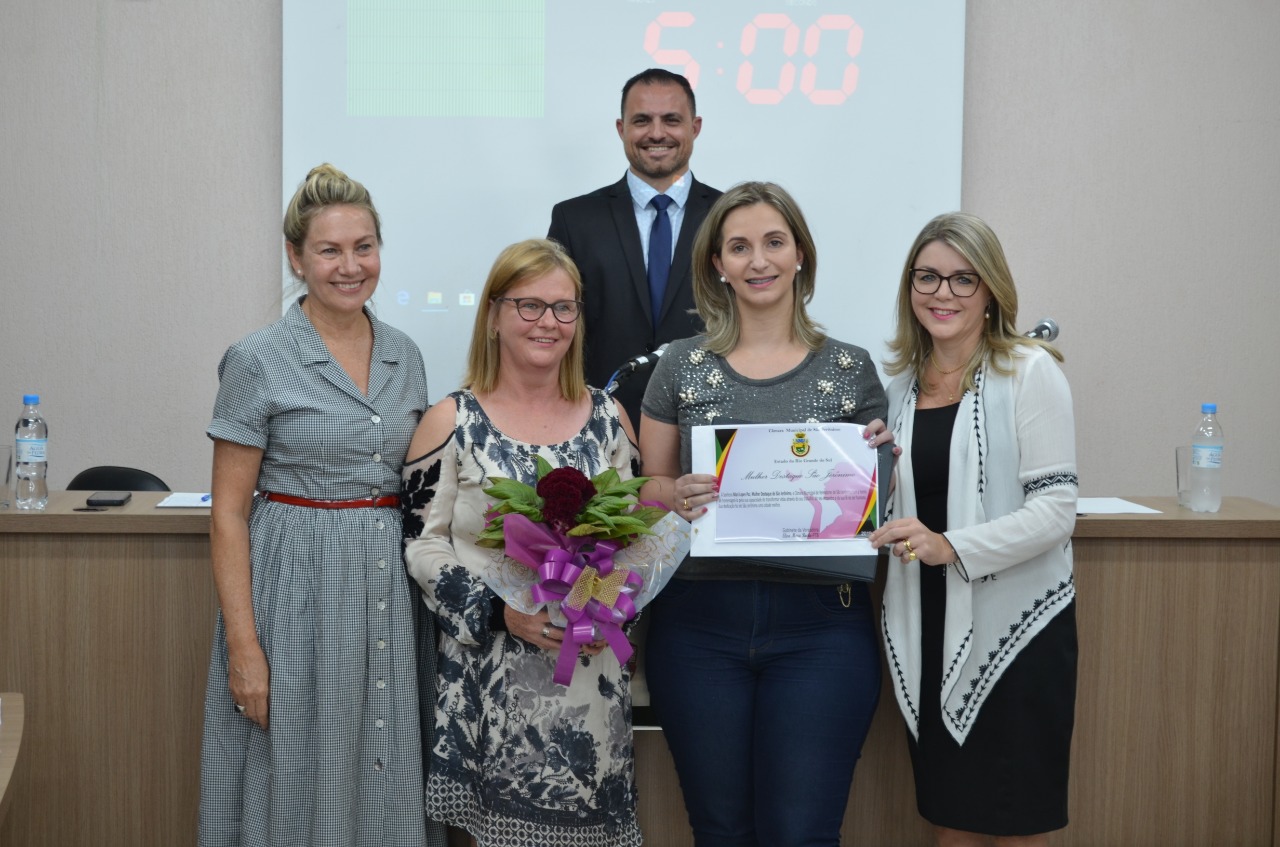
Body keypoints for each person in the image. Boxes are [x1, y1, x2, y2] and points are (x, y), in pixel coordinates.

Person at [638, 182, 890, 846]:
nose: (758, 261)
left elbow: (878, 501)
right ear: (717, 264)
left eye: (774, 242)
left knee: (801, 833)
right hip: (697, 624)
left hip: (823, 627)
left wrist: (882, 467)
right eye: (739, 247)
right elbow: (647, 489)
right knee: (720, 830)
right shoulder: (679, 365)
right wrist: (676, 492)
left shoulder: (852, 368)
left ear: (800, 254)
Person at [199, 164, 445, 846]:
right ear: (296, 257)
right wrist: (244, 648)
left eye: (364, 247)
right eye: (330, 250)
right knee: (295, 765)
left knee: (384, 757)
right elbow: (228, 513)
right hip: (293, 595)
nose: (350, 266)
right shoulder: (257, 358)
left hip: (389, 594)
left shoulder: (405, 354)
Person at [401, 239, 643, 846]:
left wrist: (604, 605)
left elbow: (634, 537)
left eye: (564, 308)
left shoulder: (610, 418)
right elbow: (421, 545)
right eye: (528, 305)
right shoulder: (450, 421)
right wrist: (499, 612)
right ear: (493, 315)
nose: (548, 322)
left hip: (590, 676)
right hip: (490, 678)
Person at [869, 212, 1078, 847]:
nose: (943, 293)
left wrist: (950, 545)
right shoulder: (899, 390)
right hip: (927, 621)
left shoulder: (1030, 371)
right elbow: (893, 512)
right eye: (927, 277)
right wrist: (866, 471)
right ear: (910, 287)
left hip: (1016, 631)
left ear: (991, 291)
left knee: (1016, 823)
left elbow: (1055, 510)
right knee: (950, 819)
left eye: (964, 279)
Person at [547, 68, 722, 428]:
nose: (656, 133)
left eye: (671, 120)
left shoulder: (731, 217)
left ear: (695, 127)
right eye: (642, 120)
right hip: (598, 424)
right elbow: (552, 322)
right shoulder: (574, 219)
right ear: (621, 128)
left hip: (709, 420)